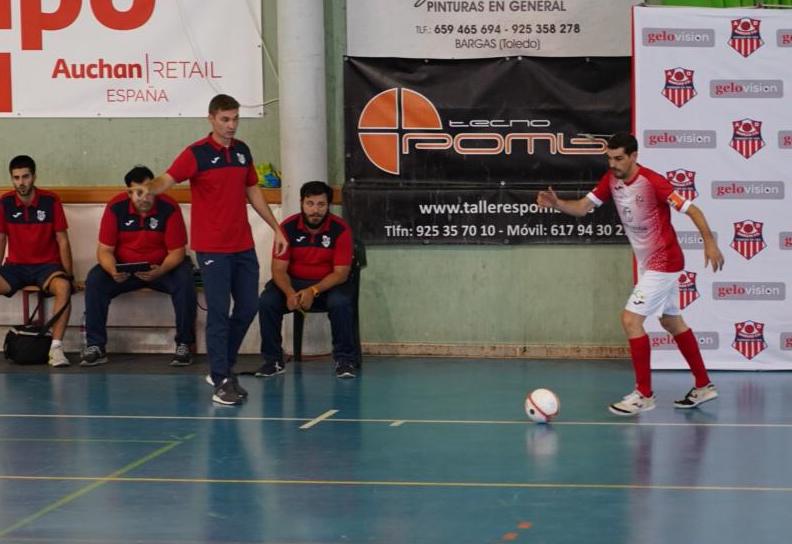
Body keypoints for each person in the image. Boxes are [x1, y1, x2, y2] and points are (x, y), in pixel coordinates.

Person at [536, 133, 725, 416]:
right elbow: (583, 208)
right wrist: (558, 203)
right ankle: (703, 385)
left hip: (664, 260)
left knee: (630, 320)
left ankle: (644, 395)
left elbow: (692, 210)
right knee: (671, 322)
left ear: (634, 156)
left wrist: (709, 243)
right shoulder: (611, 180)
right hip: (650, 263)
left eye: (619, 158)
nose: (613, 164)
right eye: (609, 158)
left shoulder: (653, 182)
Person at [141, 94, 287, 405]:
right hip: (212, 248)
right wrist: (148, 189)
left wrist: (276, 228)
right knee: (219, 313)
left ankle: (221, 367)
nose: (232, 125)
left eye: (235, 119)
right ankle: (221, 379)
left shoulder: (242, 151)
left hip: (243, 245)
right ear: (211, 119)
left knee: (248, 307)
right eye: (225, 119)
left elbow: (253, 190)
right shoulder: (197, 153)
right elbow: (167, 178)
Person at [81, 165, 197, 367]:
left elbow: (177, 252)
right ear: (129, 193)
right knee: (95, 280)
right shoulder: (115, 207)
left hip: (161, 269)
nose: (145, 198)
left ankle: (184, 344)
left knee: (185, 279)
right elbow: (105, 251)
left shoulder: (169, 207)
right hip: (125, 271)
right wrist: (113, 270)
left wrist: (160, 270)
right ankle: (96, 346)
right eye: (138, 193)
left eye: (149, 191)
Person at [257, 181, 357, 378]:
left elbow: (341, 273)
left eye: (321, 204)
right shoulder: (287, 227)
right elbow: (278, 270)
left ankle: (345, 360)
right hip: (293, 284)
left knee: (341, 302)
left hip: (328, 285)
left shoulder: (341, 229)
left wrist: (313, 290)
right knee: (267, 301)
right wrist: (289, 293)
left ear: (328, 205)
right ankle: (273, 361)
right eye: (310, 203)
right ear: (301, 203)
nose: (315, 210)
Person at [0, 155, 74, 367]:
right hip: (15, 267)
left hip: (47, 267)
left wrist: (69, 275)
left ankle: (56, 349)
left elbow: (63, 240)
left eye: (25, 176)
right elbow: (1, 239)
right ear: (12, 179)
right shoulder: (4, 202)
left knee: (64, 287)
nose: (21, 182)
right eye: (16, 178)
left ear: (34, 176)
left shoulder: (51, 200)